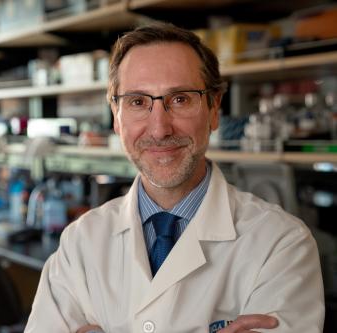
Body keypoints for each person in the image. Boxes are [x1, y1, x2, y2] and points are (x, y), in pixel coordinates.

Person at [24, 22, 325, 333]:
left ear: (213, 109)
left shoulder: (280, 245)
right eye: (138, 102)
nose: (159, 129)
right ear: (116, 115)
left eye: (180, 99)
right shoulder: (81, 243)